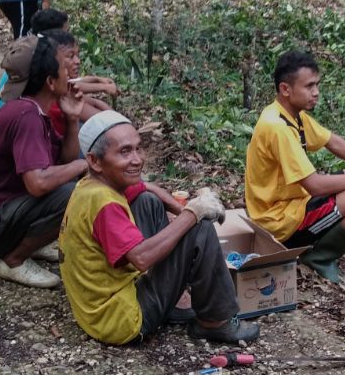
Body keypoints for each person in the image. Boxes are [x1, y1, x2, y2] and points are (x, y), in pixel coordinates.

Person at [60, 111, 260, 346]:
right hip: (121, 320)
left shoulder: (91, 185)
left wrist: (180, 209)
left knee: (148, 201)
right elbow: (141, 259)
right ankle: (215, 323)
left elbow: (147, 188)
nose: (137, 159)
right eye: (125, 152)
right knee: (200, 228)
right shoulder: (104, 203)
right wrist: (193, 213)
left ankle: (174, 301)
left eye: (138, 148)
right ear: (94, 160)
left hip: (100, 309)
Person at [244, 50, 345, 283]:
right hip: (279, 223)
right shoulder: (276, 126)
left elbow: (332, 141)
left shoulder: (289, 114)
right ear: (285, 89)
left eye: (317, 85)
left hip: (294, 204)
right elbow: (315, 185)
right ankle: (320, 257)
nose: (316, 92)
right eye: (309, 86)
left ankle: (319, 249)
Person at [0, 36, 86, 288]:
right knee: (76, 191)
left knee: (73, 176)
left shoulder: (33, 109)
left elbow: (65, 159)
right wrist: (84, 167)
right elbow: (38, 184)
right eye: (64, 67)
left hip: (4, 215)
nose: (70, 72)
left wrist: (72, 119)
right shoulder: (26, 116)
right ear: (50, 82)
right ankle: (13, 259)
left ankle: (30, 244)